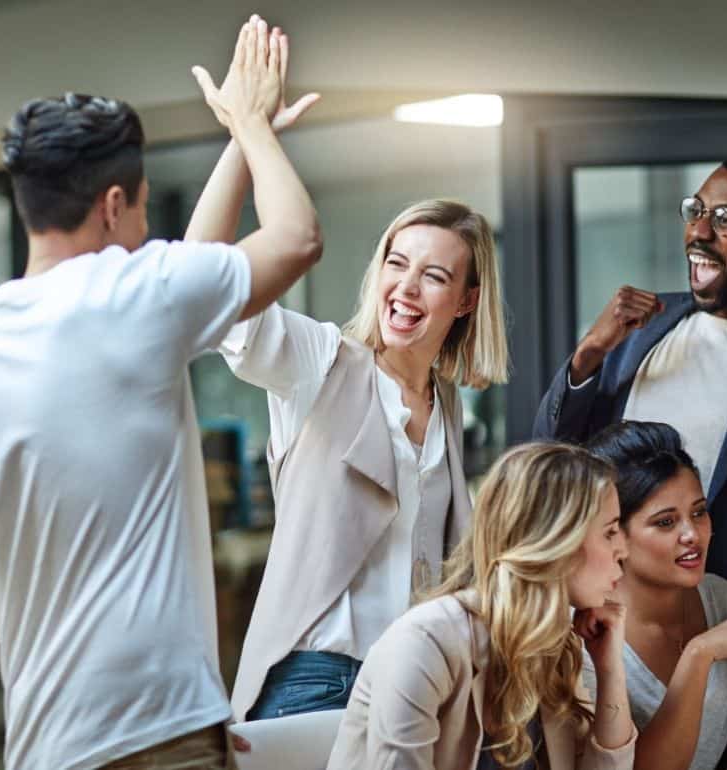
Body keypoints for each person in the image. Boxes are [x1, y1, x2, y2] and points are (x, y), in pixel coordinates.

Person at [0, 17, 322, 770]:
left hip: (44, 746)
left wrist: (240, 141)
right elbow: (296, 238)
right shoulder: (136, 297)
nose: (143, 233)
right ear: (111, 205)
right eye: (138, 211)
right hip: (155, 732)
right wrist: (250, 126)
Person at [185, 56, 510, 722]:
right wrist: (247, 138)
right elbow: (201, 277)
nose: (406, 287)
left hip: (420, 681)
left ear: (468, 300)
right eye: (396, 262)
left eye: (434, 276)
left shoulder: (447, 408)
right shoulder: (322, 361)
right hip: (318, 676)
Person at [534, 156, 727, 617]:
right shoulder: (637, 328)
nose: (699, 232)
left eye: (725, 219)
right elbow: (551, 454)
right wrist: (589, 353)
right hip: (604, 617)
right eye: (696, 211)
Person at [326, 442, 636, 770]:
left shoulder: (550, 647)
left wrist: (610, 670)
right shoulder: (425, 641)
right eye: (610, 532)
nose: (623, 550)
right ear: (556, 540)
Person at [584, 421, 727, 770]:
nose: (692, 534)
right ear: (614, 532)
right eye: (666, 522)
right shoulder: (587, 630)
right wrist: (700, 654)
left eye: (699, 512)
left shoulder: (720, 597)